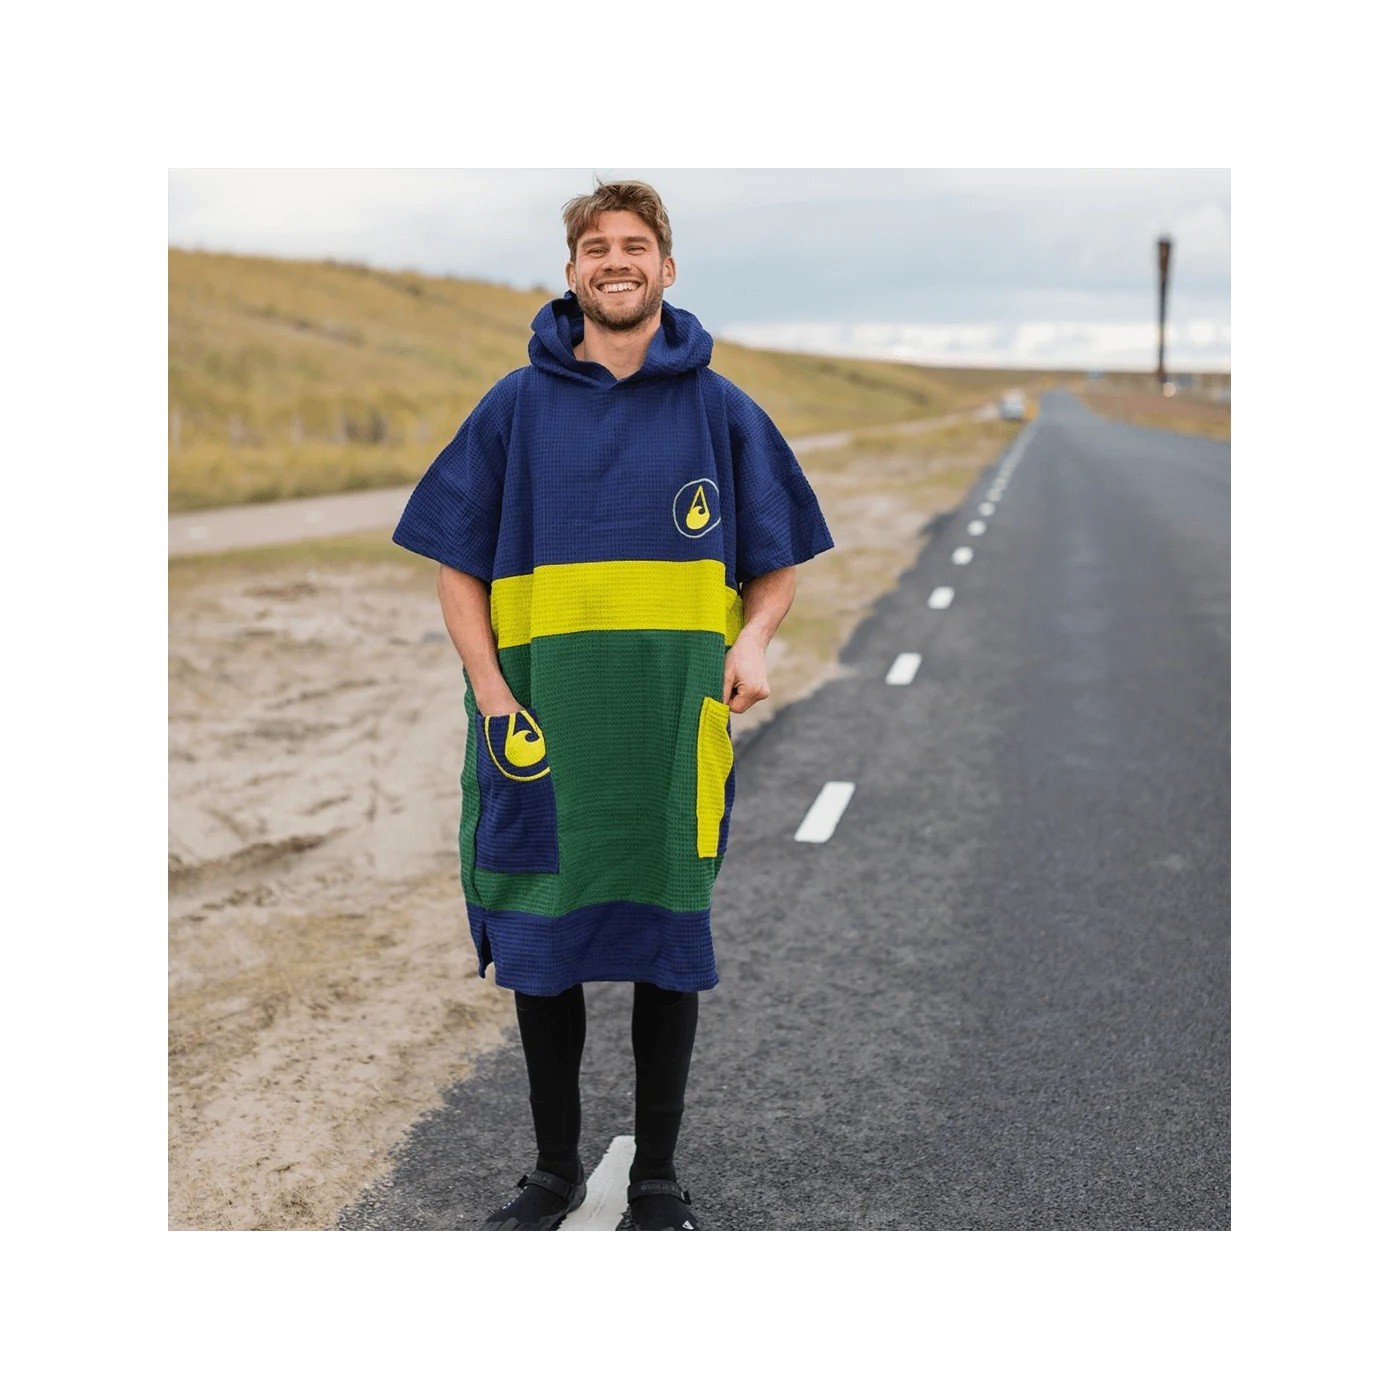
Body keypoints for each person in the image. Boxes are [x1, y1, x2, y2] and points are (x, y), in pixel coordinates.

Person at [392, 179, 834, 1230]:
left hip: (669, 730)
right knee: (540, 941)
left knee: (664, 938)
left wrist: (753, 640)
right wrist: (491, 692)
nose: (615, 261)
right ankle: (552, 1172)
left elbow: (776, 561)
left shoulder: (719, 409)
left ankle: (656, 1178)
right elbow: (455, 565)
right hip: (540, 726)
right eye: (596, 247)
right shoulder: (514, 406)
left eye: (634, 245)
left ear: (665, 267)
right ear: (572, 273)